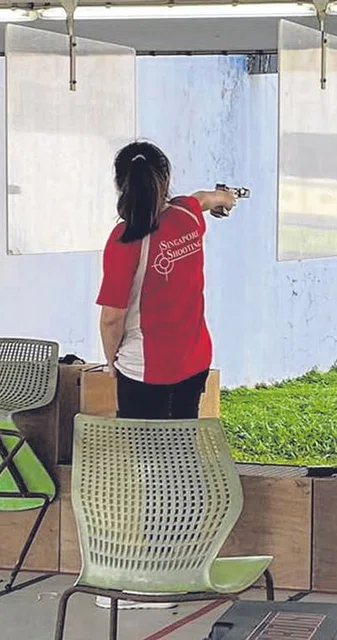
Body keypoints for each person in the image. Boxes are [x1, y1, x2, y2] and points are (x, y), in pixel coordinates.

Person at [94, 140, 237, 610]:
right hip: (191, 364)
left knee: (153, 472)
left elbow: (112, 318)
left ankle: (158, 578)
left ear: (121, 184)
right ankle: (183, 563)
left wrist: (111, 361)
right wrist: (221, 200)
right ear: (164, 180)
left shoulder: (123, 242)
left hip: (143, 371)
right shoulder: (186, 221)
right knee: (179, 466)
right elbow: (198, 200)